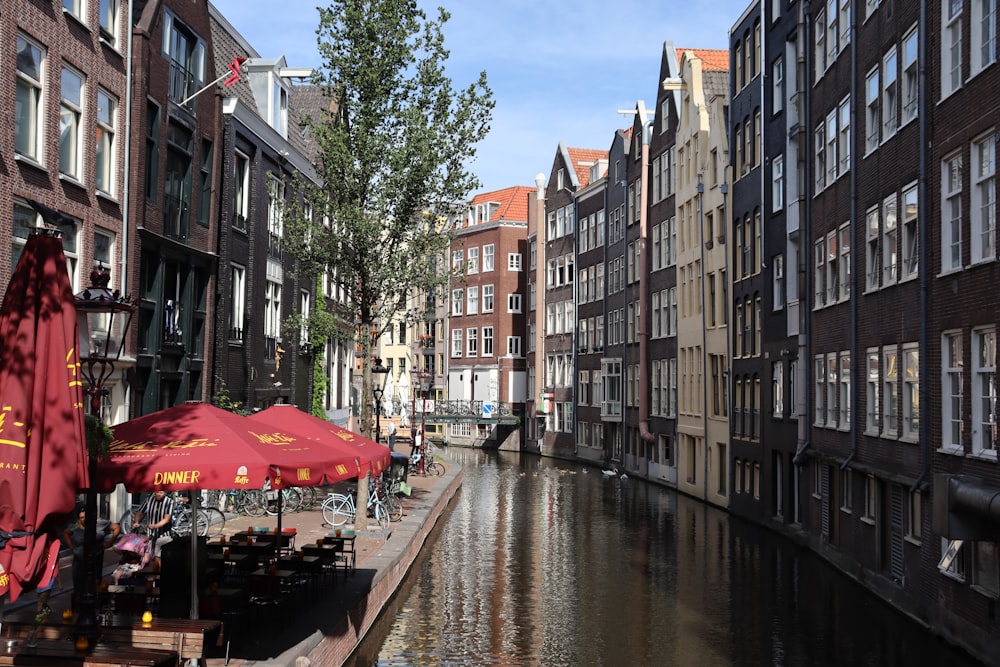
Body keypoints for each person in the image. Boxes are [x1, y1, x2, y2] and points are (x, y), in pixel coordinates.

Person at [63, 507, 120, 606]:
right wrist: (70, 545)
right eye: (81, 517)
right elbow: (66, 533)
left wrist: (110, 542)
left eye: (86, 516)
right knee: (79, 585)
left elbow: (116, 528)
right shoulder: (75, 526)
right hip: (79, 560)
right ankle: (78, 607)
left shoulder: (100, 523)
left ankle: (95, 606)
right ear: (78, 519)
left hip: (95, 559)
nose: (84, 519)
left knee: (95, 584)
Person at [132, 490, 173, 557]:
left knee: (157, 555)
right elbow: (139, 513)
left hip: (163, 535)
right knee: (147, 555)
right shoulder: (149, 500)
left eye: (161, 492)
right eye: (157, 492)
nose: (158, 494)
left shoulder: (169, 502)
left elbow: (166, 519)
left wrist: (155, 526)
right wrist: (136, 522)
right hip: (150, 534)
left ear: (165, 493)